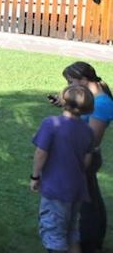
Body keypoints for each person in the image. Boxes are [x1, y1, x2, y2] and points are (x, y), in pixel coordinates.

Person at [54, 62, 113, 253]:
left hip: (86, 158)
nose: (70, 86)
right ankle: (89, 239)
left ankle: (90, 242)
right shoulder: (92, 99)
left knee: (88, 203)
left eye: (72, 82)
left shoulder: (103, 104)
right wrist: (68, 105)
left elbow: (92, 139)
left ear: (84, 80)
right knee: (89, 200)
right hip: (80, 156)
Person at [33, 85, 95, 253]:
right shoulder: (88, 131)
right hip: (77, 188)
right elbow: (87, 160)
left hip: (56, 188)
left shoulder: (50, 124)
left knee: (54, 234)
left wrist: (35, 177)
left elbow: (41, 153)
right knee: (71, 231)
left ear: (63, 101)